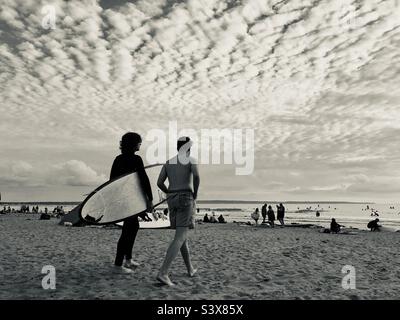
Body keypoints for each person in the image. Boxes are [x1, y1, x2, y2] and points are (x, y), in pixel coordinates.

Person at [156, 136, 200, 286]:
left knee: (182, 235)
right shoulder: (191, 160)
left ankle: (190, 269)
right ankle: (163, 272)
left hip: (172, 198)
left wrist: (169, 192)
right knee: (181, 236)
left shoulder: (169, 162)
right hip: (185, 196)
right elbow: (197, 176)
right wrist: (195, 194)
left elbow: (159, 182)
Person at [112, 132, 154, 274]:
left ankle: (128, 259)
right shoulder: (136, 159)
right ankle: (118, 265)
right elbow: (143, 179)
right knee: (127, 231)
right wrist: (150, 198)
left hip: (123, 199)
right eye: (139, 142)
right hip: (130, 200)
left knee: (133, 227)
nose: (140, 144)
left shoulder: (117, 159)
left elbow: (112, 182)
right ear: (133, 144)